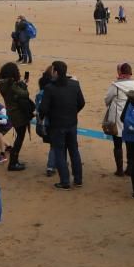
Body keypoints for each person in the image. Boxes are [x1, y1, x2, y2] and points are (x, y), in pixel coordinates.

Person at [39, 60, 85, 190]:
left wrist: (42, 118)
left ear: (56, 72)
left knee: (59, 152)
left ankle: (65, 181)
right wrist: (72, 112)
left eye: (53, 70)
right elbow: (81, 102)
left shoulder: (50, 88)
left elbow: (43, 108)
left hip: (57, 125)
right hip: (71, 123)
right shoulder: (74, 84)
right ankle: (78, 179)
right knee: (74, 150)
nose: (51, 73)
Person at [0, 62, 32, 171]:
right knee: (20, 138)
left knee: (19, 137)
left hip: (11, 113)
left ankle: (14, 161)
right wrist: (24, 85)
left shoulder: (3, 84)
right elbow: (25, 94)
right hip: (18, 114)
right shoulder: (11, 85)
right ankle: (13, 162)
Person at [103, 63, 134, 177]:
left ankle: (119, 170)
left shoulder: (115, 86)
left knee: (117, 145)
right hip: (131, 117)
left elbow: (107, 100)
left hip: (118, 118)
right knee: (130, 144)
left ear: (120, 72)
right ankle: (130, 168)